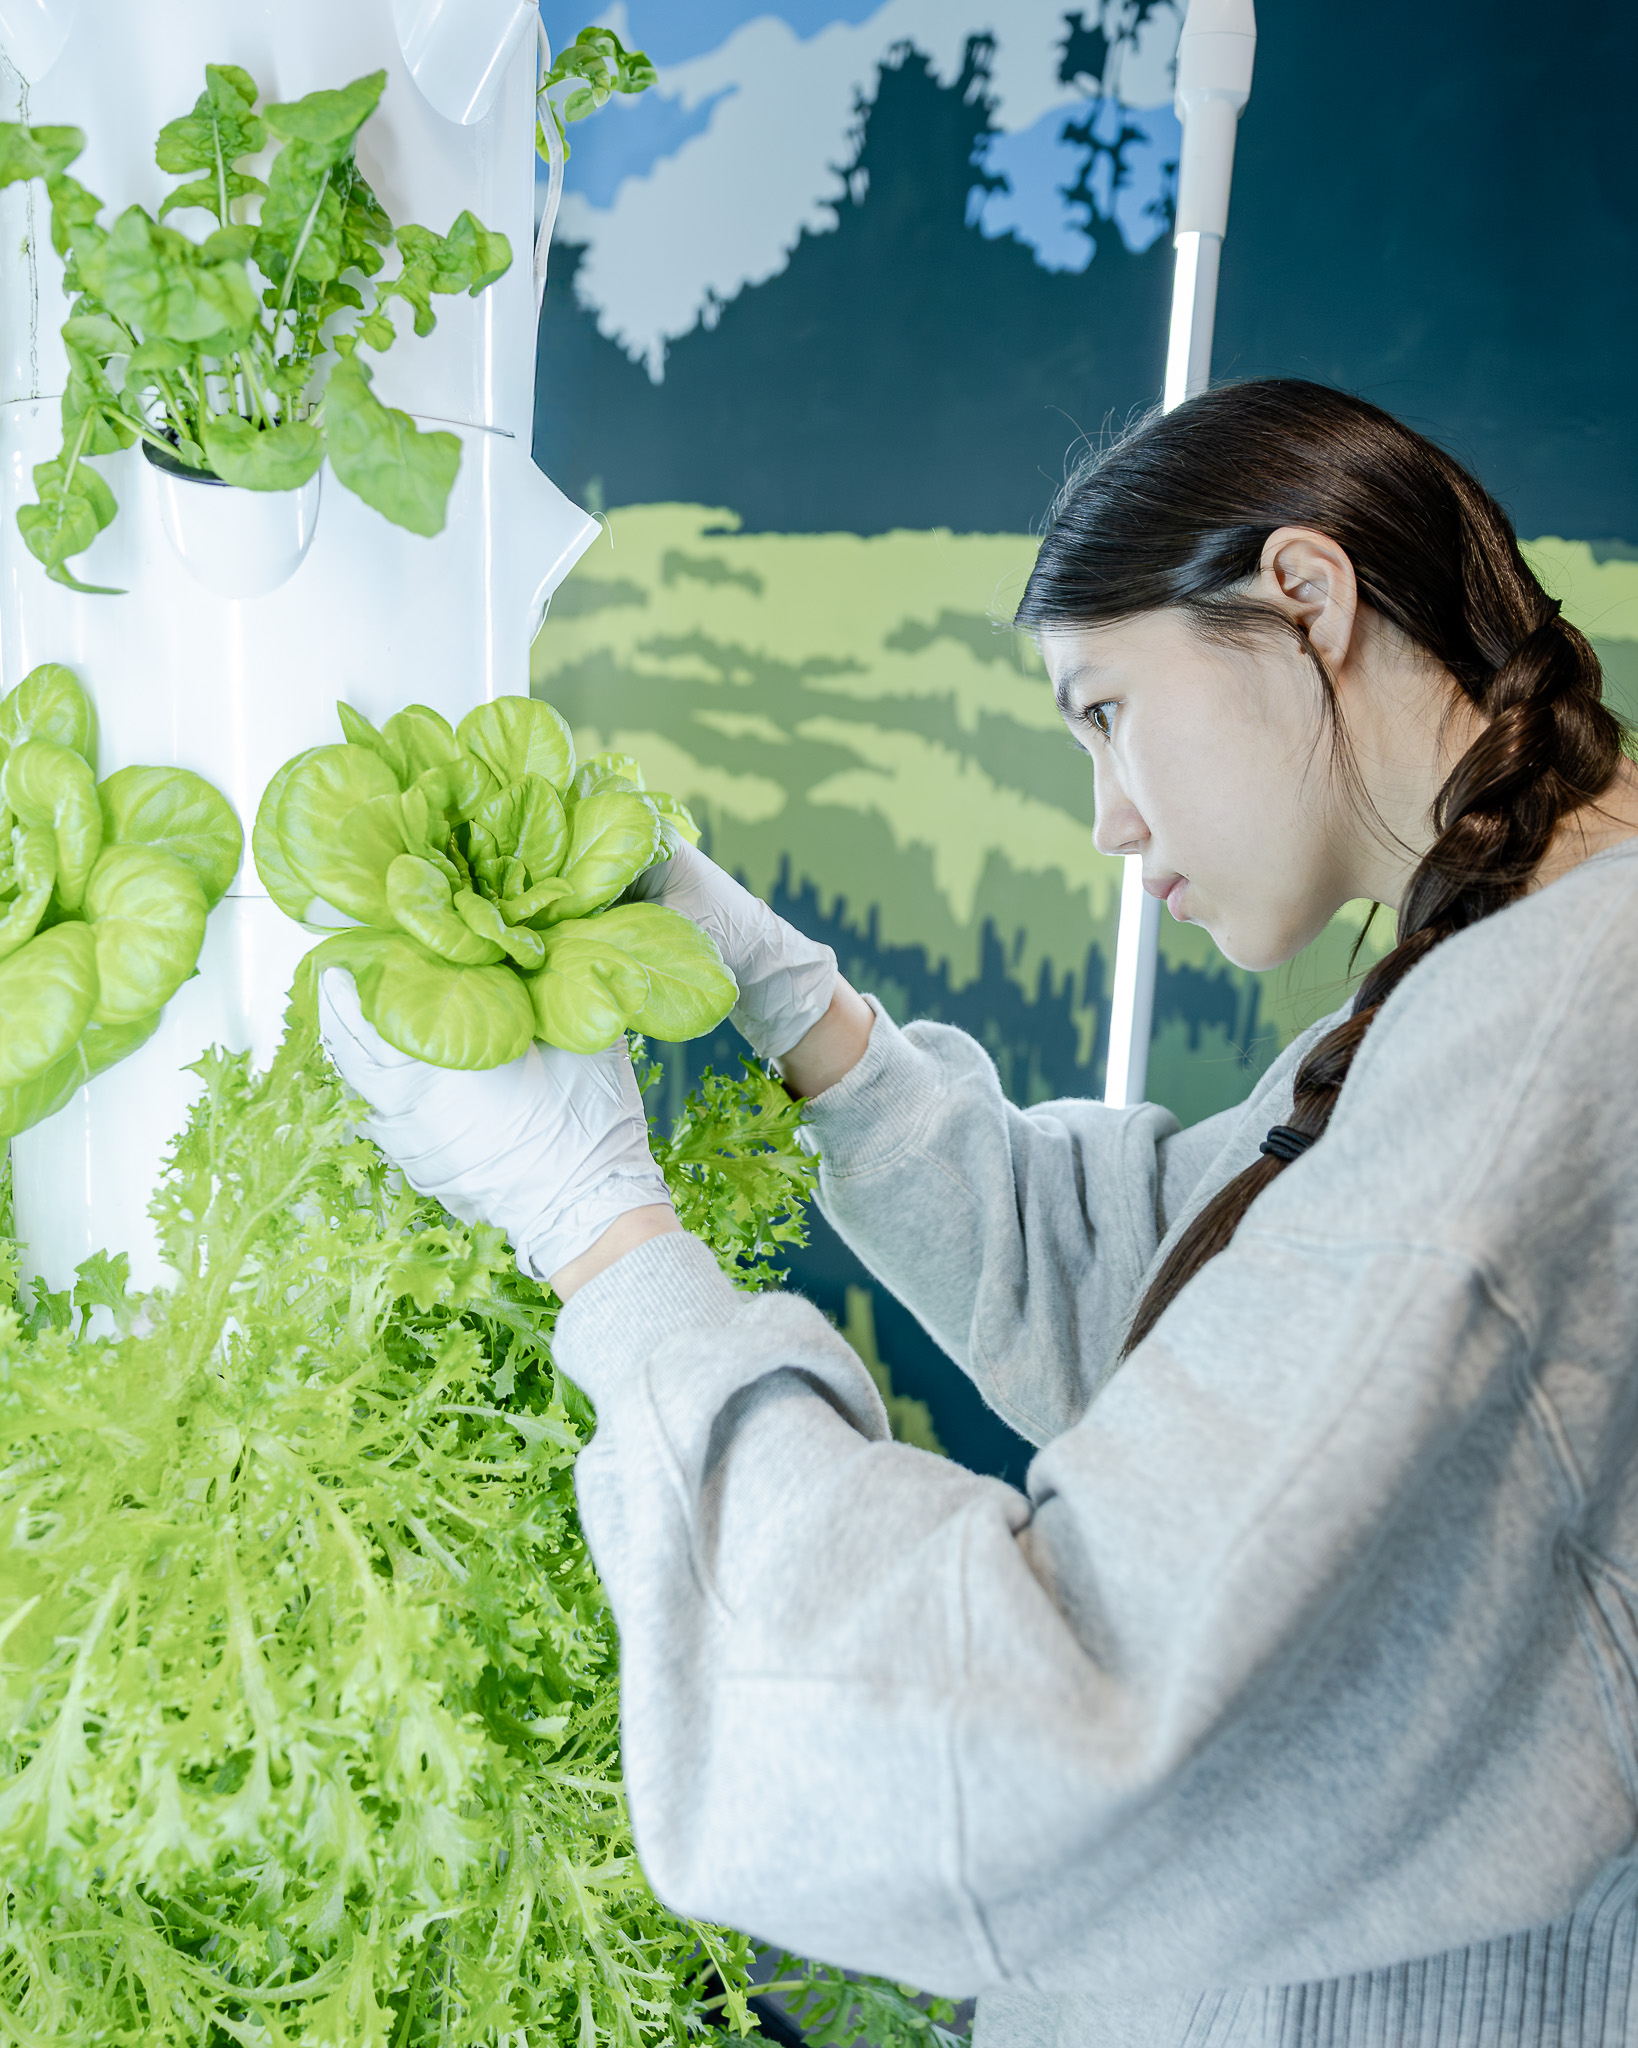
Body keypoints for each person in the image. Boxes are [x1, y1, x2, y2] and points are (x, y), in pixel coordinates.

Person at [318, 380, 1638, 2048]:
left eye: (1105, 713)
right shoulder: (1504, 983)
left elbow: (1052, 1723)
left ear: (1305, 599)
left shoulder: (1560, 1024)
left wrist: (603, 1243)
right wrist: (806, 1018)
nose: (1108, 819)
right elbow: (1186, 1300)